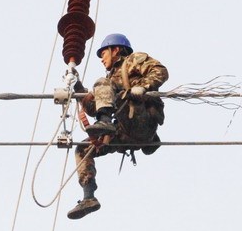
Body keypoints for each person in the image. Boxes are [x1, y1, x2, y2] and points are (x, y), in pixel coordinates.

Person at [67, 33, 169, 220]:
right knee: (83, 149)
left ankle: (105, 122)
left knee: (102, 83)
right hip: (125, 130)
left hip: (141, 119)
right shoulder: (110, 80)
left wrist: (144, 87)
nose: (101, 58)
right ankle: (89, 197)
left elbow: (161, 71)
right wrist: (78, 89)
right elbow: (94, 108)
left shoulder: (133, 60)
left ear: (115, 50)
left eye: (103, 53)